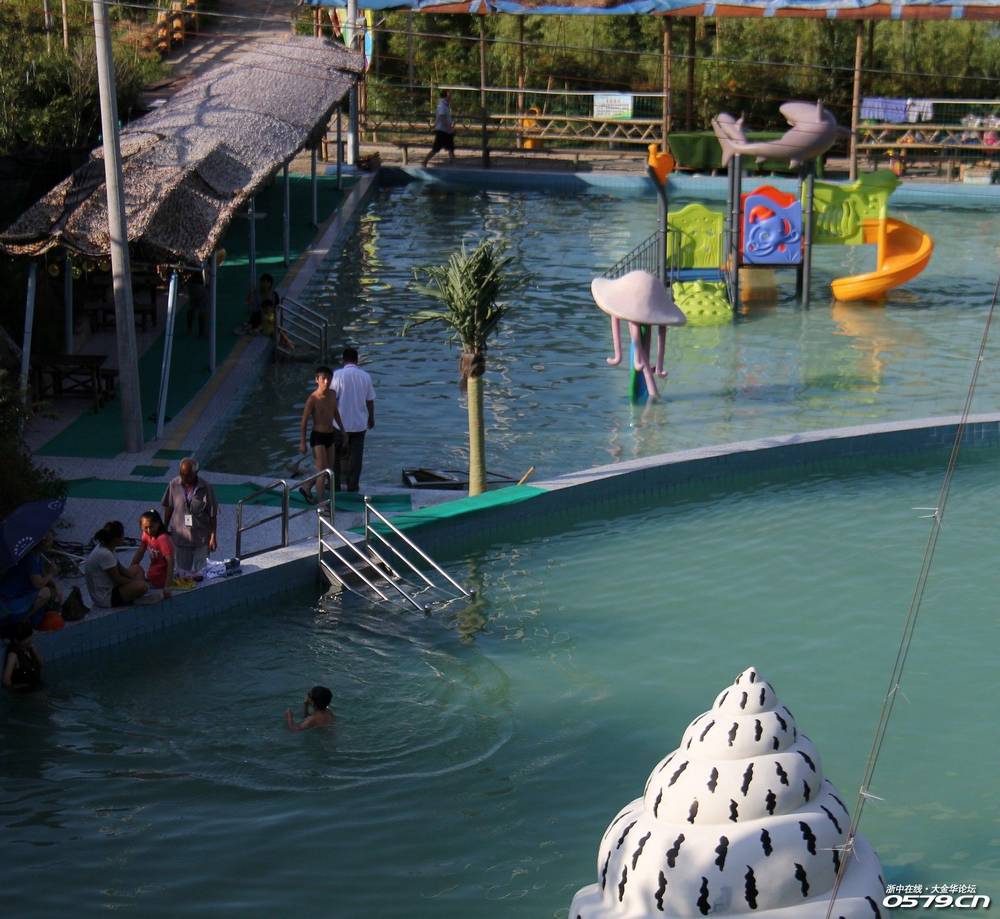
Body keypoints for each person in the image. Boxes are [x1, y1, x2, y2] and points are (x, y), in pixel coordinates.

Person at [299, 366, 348, 505]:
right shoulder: (313, 399)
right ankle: (322, 503)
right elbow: (303, 422)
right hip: (318, 436)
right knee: (322, 470)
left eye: (328, 378)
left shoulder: (332, 394)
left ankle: (307, 487)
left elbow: (335, 412)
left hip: (330, 435)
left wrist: (343, 431)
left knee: (328, 470)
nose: (326, 381)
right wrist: (302, 442)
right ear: (317, 380)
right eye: (323, 379)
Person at [161, 458, 218, 574]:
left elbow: (212, 514)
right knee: (182, 572)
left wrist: (213, 536)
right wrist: (164, 528)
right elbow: (169, 507)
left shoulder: (206, 488)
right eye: (182, 474)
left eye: (188, 475)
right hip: (181, 537)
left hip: (201, 537)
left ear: (196, 473)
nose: (184, 478)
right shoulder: (173, 484)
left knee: (202, 573)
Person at [331, 347, 375, 493]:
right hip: (359, 424)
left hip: (339, 424)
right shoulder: (365, 376)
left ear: (343, 360)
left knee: (335, 457)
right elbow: (370, 400)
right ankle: (353, 486)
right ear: (357, 360)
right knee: (356, 458)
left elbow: (331, 399)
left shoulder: (337, 375)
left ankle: (335, 486)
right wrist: (371, 418)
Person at [0, 531, 63, 629]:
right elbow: (38, 584)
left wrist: (56, 587)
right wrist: (51, 573)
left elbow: (42, 576)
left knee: (51, 590)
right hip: (9, 602)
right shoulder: (31, 559)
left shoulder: (38, 555)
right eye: (51, 539)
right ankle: (22, 621)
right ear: (44, 542)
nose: (53, 541)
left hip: (17, 594)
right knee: (45, 593)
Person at [83, 521, 150, 608]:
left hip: (112, 586)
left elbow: (120, 568)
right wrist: (135, 582)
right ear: (115, 539)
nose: (124, 537)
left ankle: (133, 593)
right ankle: (133, 595)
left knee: (137, 568)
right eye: (122, 535)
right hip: (106, 597)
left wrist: (131, 576)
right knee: (143, 586)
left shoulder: (108, 546)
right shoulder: (105, 554)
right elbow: (117, 579)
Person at [131, 509, 175, 597]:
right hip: (151, 577)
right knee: (136, 568)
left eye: (151, 527)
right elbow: (140, 551)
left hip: (161, 581)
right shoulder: (146, 534)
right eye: (145, 528)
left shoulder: (162, 539)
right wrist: (131, 569)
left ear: (158, 524)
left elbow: (171, 562)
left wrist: (167, 587)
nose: (149, 530)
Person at [2, 620, 43, 692]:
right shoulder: (13, 654)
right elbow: (6, 680)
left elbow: (41, 664)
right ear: (17, 641)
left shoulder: (29, 647)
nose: (30, 640)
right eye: (27, 639)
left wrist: (32, 648)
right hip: (25, 691)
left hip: (35, 686)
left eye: (30, 637)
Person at [422, 90, 456, 168]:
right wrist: (449, 127)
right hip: (442, 130)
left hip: (446, 130)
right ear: (446, 96)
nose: (451, 96)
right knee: (436, 148)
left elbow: (445, 117)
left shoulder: (445, 105)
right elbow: (442, 117)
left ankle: (452, 163)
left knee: (450, 147)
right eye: (449, 94)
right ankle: (425, 162)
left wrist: (451, 125)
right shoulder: (442, 105)